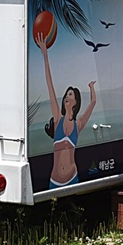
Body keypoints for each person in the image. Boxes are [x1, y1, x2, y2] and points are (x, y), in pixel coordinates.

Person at [36, 33, 98, 188]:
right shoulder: (57, 118)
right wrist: (45, 55)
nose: (66, 97)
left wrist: (91, 87)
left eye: (70, 95)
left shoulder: (78, 124)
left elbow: (93, 102)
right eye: (66, 95)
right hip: (55, 180)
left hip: (73, 177)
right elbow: (50, 85)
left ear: (75, 101)